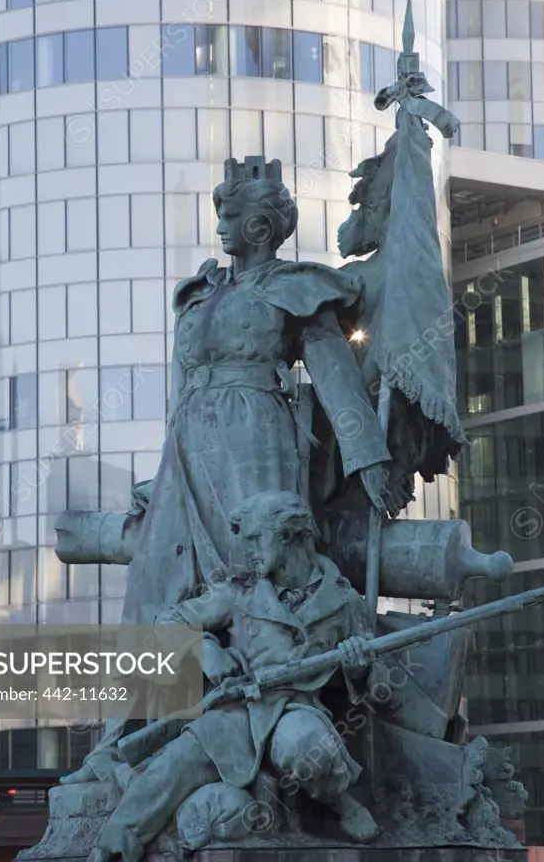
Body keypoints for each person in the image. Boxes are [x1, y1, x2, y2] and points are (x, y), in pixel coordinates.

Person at [64, 158, 390, 784]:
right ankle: (125, 741)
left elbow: (335, 376)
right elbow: (180, 390)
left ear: (262, 227)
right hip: (190, 448)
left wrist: (366, 457)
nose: (219, 227)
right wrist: (162, 471)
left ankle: (254, 733)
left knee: (248, 577)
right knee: (156, 584)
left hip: (256, 442)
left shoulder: (295, 288)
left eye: (230, 216)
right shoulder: (199, 292)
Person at [87, 490, 379, 862]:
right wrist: (206, 651)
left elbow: (373, 680)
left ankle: (342, 803)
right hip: (239, 708)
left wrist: (357, 665)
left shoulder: (344, 600)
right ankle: (113, 846)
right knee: (175, 764)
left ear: (288, 536)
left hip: (295, 709)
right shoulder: (240, 592)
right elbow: (168, 621)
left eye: (257, 538)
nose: (249, 550)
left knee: (307, 746)